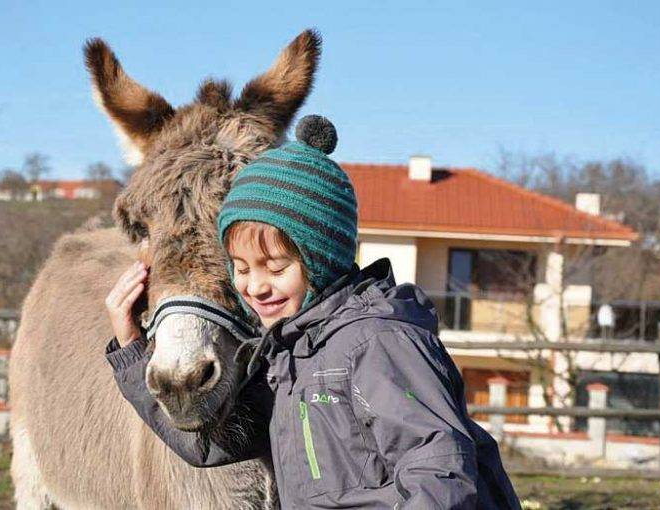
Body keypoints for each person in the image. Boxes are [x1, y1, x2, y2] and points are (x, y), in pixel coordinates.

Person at [105, 115, 520, 509]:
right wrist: (131, 351)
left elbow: (439, 468)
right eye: (241, 269)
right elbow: (211, 446)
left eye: (275, 267)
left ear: (320, 259)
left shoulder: (377, 342)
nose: (256, 286)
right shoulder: (288, 359)